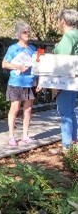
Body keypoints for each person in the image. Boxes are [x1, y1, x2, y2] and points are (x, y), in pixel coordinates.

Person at [2, 22, 37, 147]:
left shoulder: (33, 49)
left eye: (28, 32)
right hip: (16, 83)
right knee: (15, 109)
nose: (27, 34)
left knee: (28, 110)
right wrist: (18, 67)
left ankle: (25, 136)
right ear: (18, 34)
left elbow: (38, 66)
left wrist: (39, 81)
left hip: (30, 82)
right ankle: (11, 136)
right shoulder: (13, 49)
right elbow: (4, 64)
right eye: (24, 32)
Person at [54, 9, 78, 151]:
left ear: (63, 21)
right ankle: (73, 142)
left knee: (64, 112)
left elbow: (62, 62)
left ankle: (67, 146)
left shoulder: (68, 37)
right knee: (70, 111)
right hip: (74, 79)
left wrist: (54, 84)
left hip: (66, 80)